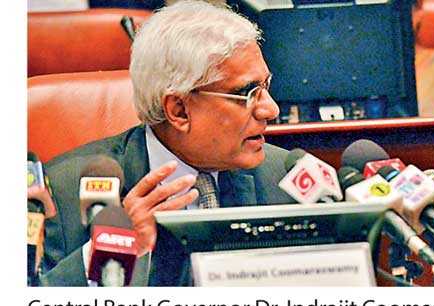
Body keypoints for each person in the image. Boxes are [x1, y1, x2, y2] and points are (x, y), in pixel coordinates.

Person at [40, 0, 293, 286]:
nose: (270, 109)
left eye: (265, 86)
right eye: (247, 93)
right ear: (179, 111)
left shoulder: (285, 180)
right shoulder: (62, 195)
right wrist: (113, 250)